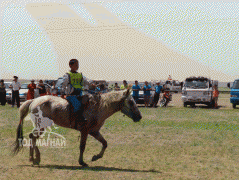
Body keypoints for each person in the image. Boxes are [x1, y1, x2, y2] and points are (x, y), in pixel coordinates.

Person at [61, 59, 92, 128]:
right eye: (75, 65)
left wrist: (92, 83)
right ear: (70, 66)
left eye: (78, 65)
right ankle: (75, 121)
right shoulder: (67, 75)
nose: (77, 66)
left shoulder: (80, 75)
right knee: (77, 105)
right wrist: (62, 93)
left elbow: (87, 81)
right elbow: (63, 85)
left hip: (80, 94)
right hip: (71, 95)